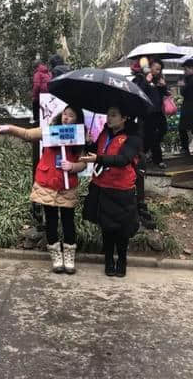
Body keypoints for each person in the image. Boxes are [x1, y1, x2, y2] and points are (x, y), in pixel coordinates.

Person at [0, 106, 86, 273]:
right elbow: (28, 134)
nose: (66, 118)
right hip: (47, 183)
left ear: (77, 120)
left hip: (67, 186)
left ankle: (69, 256)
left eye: (71, 116)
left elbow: (83, 162)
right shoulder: (50, 131)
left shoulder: (79, 137)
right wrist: (9, 128)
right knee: (50, 220)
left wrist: (73, 166)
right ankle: (56, 257)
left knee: (68, 221)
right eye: (65, 114)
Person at [81, 106, 141, 278]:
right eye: (108, 115)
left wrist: (98, 158)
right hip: (102, 187)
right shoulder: (104, 133)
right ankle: (108, 260)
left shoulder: (133, 138)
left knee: (122, 230)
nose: (109, 118)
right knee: (106, 227)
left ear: (124, 118)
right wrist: (89, 142)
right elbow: (95, 151)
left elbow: (123, 160)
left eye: (114, 115)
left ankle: (122, 261)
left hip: (122, 190)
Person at [134, 59, 169, 168]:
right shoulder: (140, 78)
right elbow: (138, 92)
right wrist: (146, 81)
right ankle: (157, 160)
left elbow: (163, 94)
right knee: (151, 136)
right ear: (150, 67)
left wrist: (163, 86)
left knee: (163, 129)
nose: (158, 71)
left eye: (160, 69)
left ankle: (145, 152)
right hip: (147, 113)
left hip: (158, 111)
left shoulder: (157, 79)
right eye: (156, 68)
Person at [31, 59, 51, 123]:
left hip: (41, 95)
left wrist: (34, 96)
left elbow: (36, 86)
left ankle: (36, 121)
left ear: (35, 67)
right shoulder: (48, 73)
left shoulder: (38, 73)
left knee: (35, 104)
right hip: (49, 95)